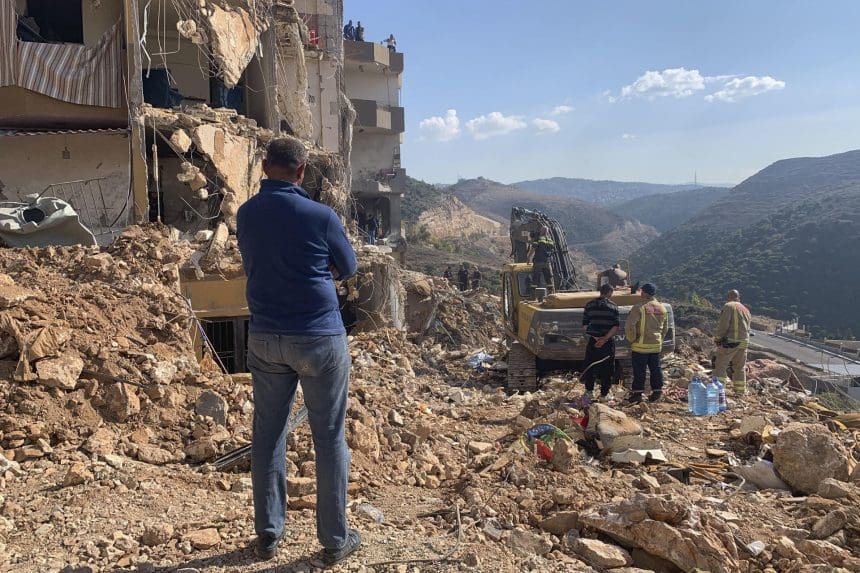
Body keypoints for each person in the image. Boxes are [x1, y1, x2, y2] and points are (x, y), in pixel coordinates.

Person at [236, 138, 361, 564]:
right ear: (302, 171)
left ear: (265, 166)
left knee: (268, 434)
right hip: (319, 338)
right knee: (328, 438)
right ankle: (334, 541)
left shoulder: (246, 214)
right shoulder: (321, 216)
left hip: (266, 337)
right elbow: (349, 266)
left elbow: (257, 260)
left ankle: (268, 535)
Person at [624, 282, 668, 404]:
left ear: (645, 293)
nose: (640, 293)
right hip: (656, 345)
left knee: (640, 370)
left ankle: (637, 394)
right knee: (656, 369)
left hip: (640, 346)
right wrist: (660, 340)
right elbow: (665, 328)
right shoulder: (662, 308)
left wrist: (632, 339)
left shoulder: (639, 307)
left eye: (642, 291)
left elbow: (629, 325)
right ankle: (657, 392)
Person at [582, 284, 620, 401]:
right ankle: (604, 394)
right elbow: (616, 326)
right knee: (607, 368)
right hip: (607, 343)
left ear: (600, 291)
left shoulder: (589, 305)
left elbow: (585, 326)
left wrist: (596, 338)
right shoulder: (613, 306)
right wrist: (605, 339)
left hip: (593, 342)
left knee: (590, 366)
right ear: (609, 292)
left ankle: (589, 392)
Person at [713, 290, 752, 394]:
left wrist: (718, 338)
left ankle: (718, 390)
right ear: (739, 298)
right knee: (739, 367)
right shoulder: (746, 310)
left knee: (721, 365)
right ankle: (740, 391)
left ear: (729, 297)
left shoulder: (728, 306)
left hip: (730, 342)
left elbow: (724, 324)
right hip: (744, 343)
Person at [529, 227, 555, 293]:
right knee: (548, 278)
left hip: (538, 261)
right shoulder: (550, 240)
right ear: (547, 232)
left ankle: (533, 294)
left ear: (541, 231)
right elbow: (552, 251)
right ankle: (551, 292)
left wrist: (529, 257)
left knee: (535, 278)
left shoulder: (538, 239)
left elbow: (533, 249)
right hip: (547, 262)